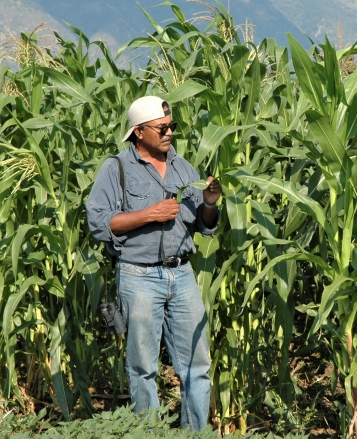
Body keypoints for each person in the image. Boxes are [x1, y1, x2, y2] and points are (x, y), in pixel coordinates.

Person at [86, 96, 221, 431]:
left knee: (197, 365)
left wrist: (209, 203)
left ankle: (196, 433)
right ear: (138, 131)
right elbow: (99, 222)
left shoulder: (183, 168)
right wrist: (149, 215)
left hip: (182, 274)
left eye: (172, 126)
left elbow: (204, 225)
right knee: (143, 366)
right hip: (139, 275)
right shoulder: (116, 168)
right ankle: (149, 433)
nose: (169, 132)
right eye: (162, 127)